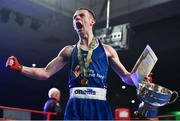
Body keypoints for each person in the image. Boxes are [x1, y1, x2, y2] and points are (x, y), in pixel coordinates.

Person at [5, 8, 149, 120]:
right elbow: (45, 72)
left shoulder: (107, 50)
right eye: (74, 17)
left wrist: (140, 77)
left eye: (81, 15)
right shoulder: (68, 51)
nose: (76, 18)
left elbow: (126, 77)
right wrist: (20, 68)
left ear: (92, 21)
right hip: (75, 106)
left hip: (99, 105)